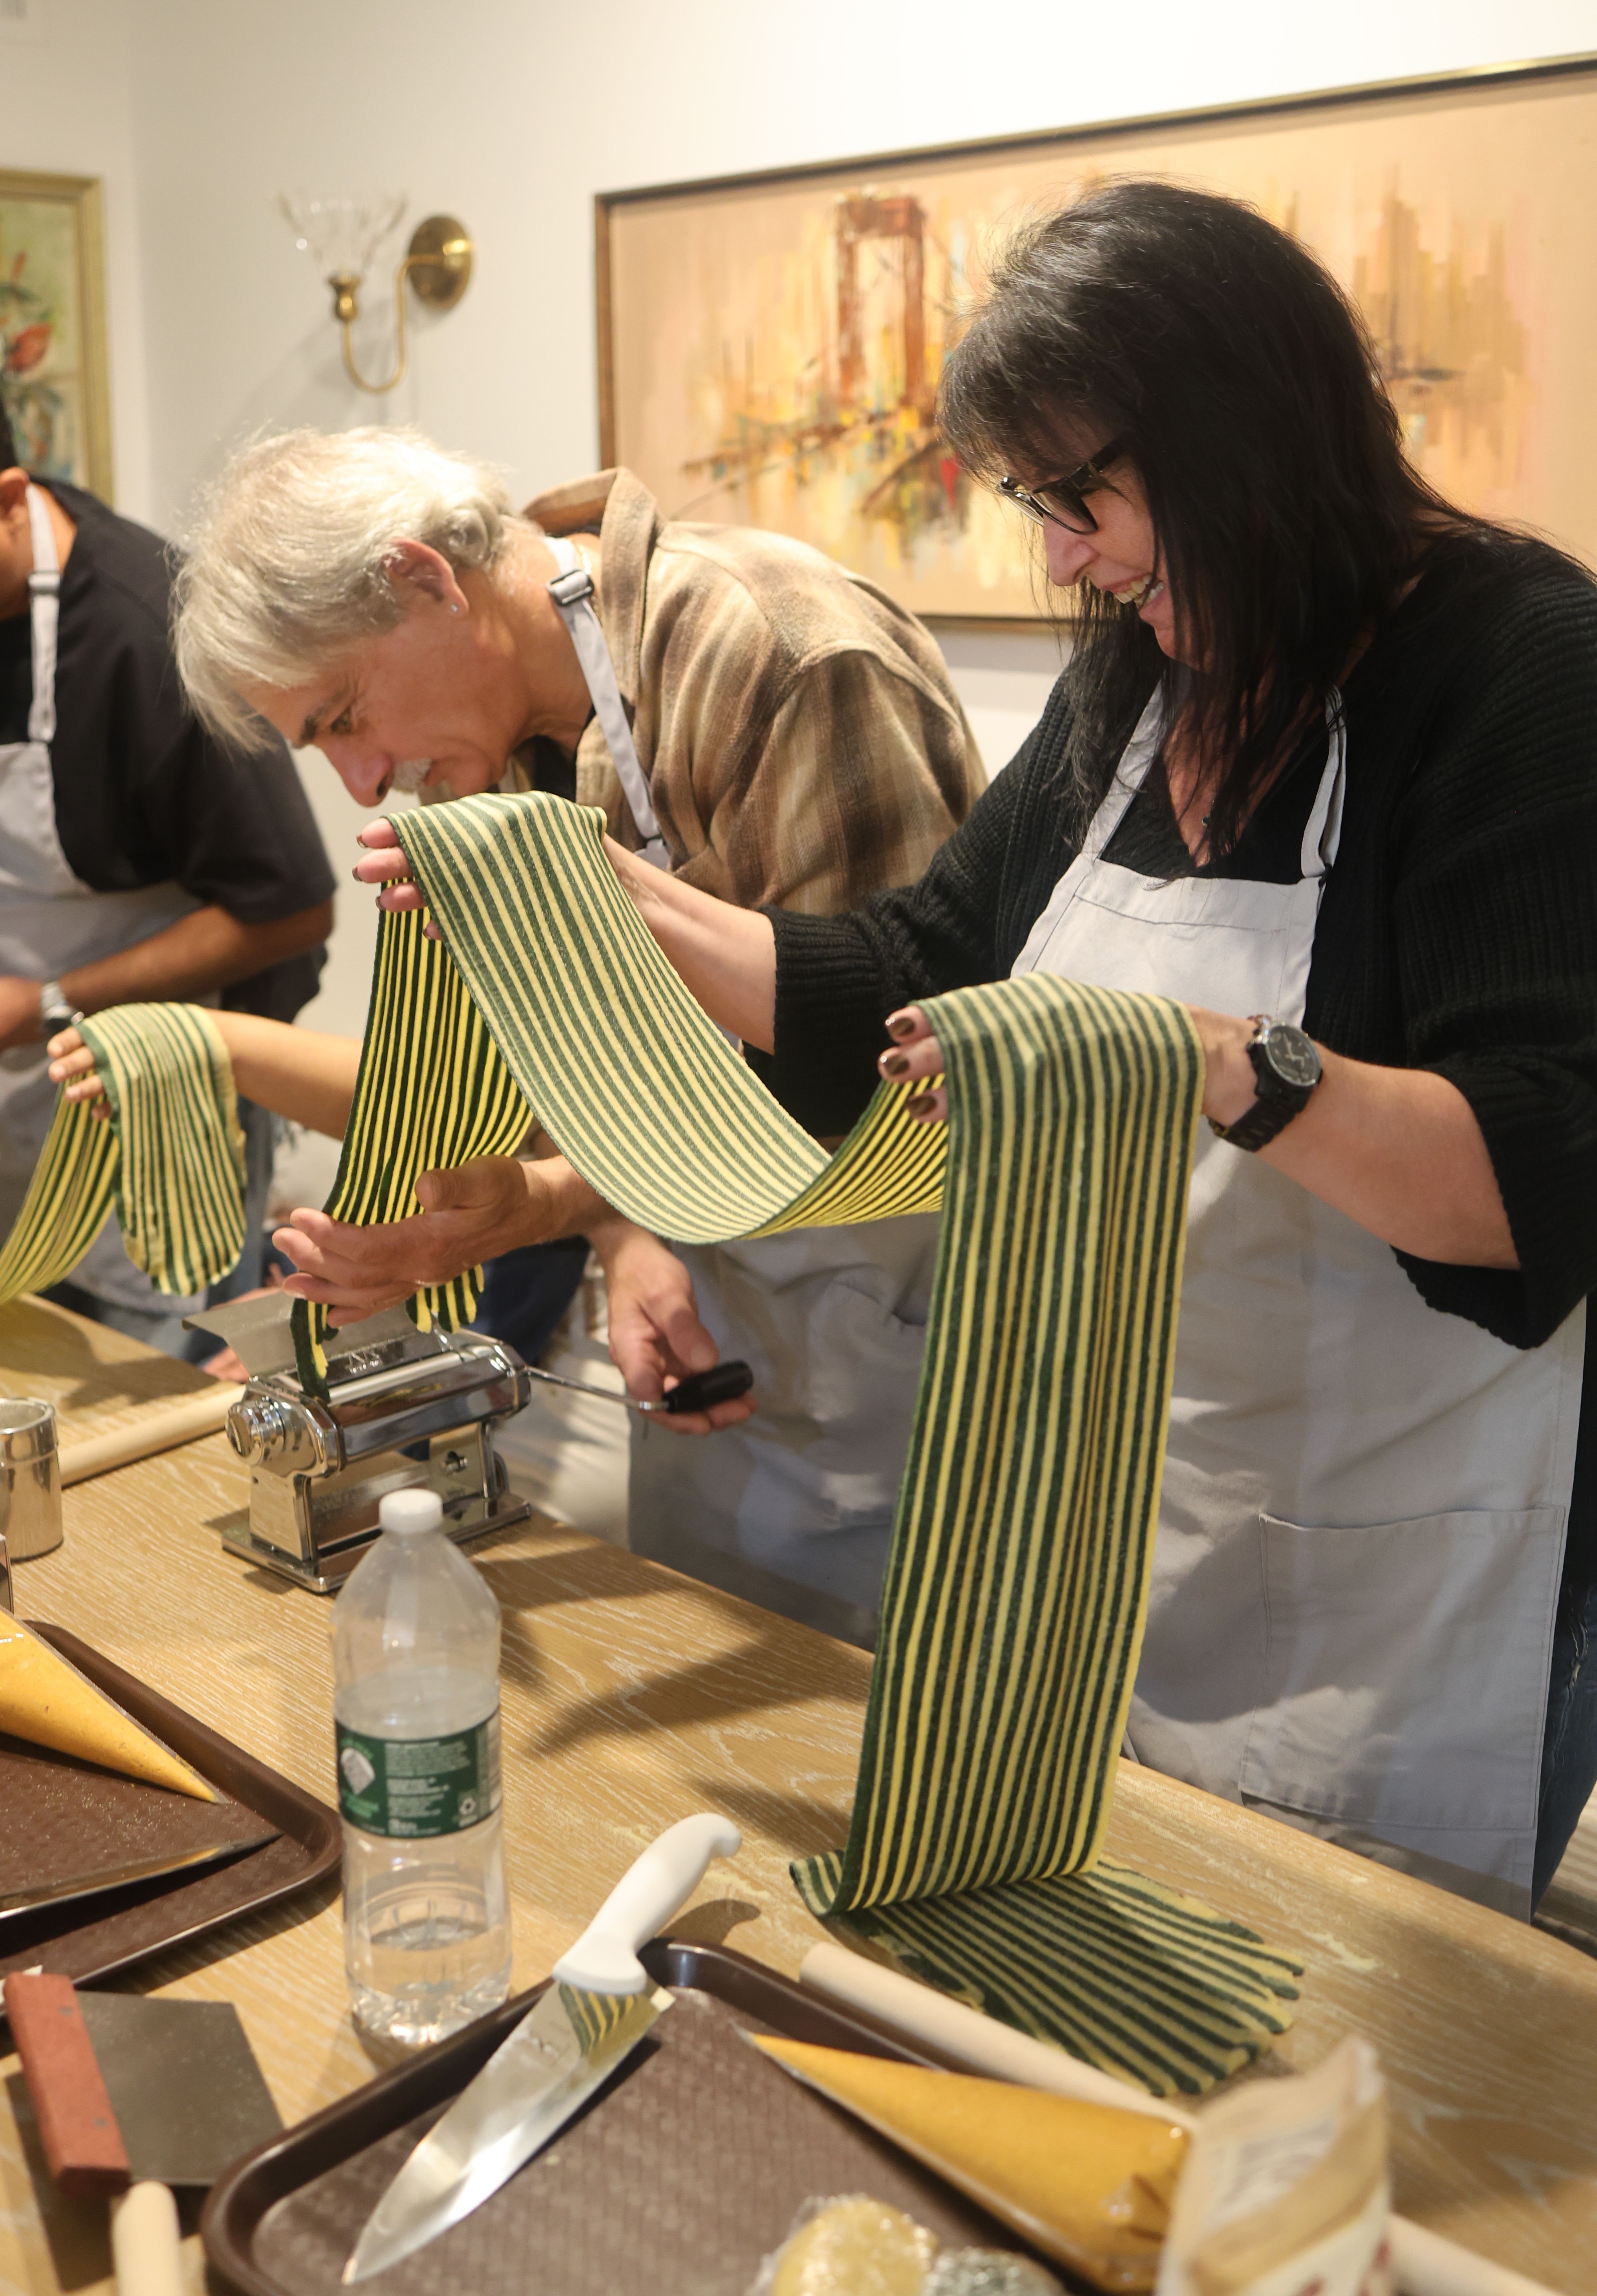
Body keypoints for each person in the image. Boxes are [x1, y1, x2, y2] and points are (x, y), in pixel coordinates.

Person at [386, 182, 1592, 1921]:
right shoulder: (1151, 681)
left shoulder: (1521, 672)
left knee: (1372, 2038)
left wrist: (1216, 1064)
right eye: (1033, 506)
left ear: (1242, 437)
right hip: (1146, 1482)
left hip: (1403, 1527)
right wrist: (606, 906)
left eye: (1080, 496)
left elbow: (1533, 1174)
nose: (1061, 562)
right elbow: (918, 965)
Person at [162, 428, 985, 1638]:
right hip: (728, 1303)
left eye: (346, 717)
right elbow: (567, 1081)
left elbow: (883, 1082)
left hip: (909, 1309)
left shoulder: (780, 657)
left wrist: (560, 1200)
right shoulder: (490, 766)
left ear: (423, 579)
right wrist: (561, 1214)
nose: (362, 779)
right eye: (322, 746)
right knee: (701, 1689)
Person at [0, 408, 335, 1351]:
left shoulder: (148, 631)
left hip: (157, 1104)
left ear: (10, 503)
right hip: (15, 1097)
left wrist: (49, 1002)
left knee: (155, 1390)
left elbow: (292, 905)